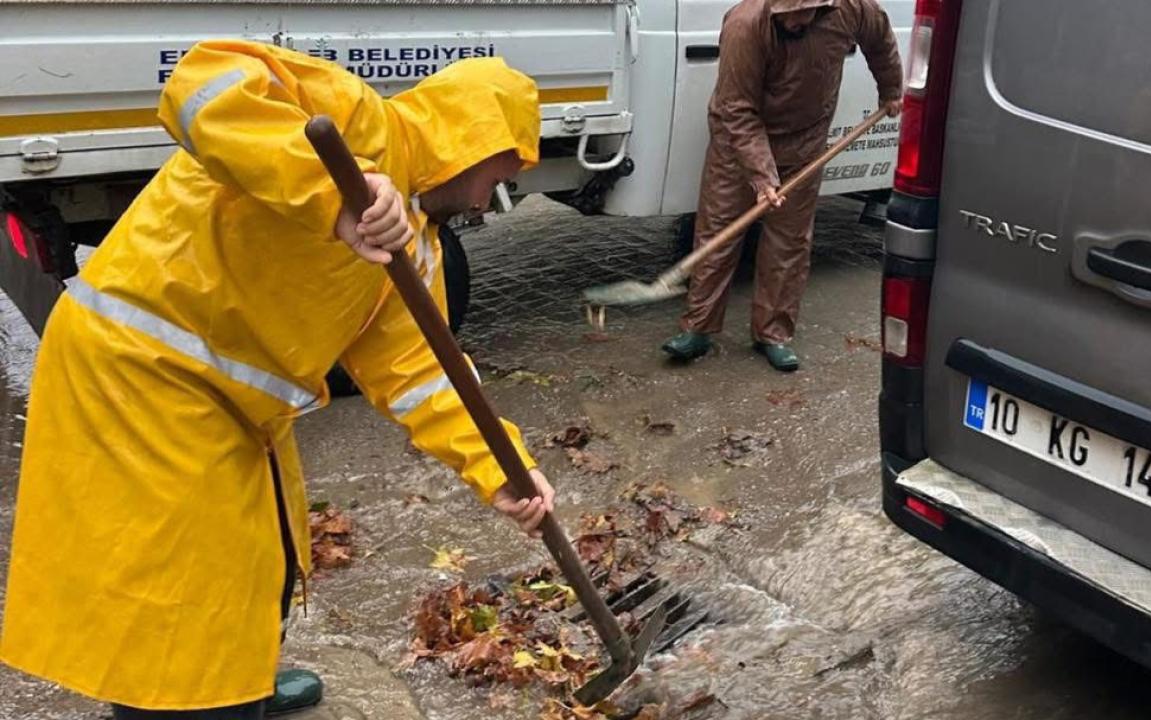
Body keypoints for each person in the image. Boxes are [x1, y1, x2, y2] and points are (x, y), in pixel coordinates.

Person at [0, 41, 556, 719]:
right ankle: (198, 705)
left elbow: (425, 375)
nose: (491, 199)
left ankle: (245, 679)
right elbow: (202, 86)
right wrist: (332, 194)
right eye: (505, 169)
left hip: (230, 405)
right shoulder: (357, 123)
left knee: (267, 562)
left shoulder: (414, 246)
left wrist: (505, 470)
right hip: (138, 371)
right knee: (176, 600)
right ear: (478, 142)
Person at [662, 0, 904, 372]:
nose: (797, 19)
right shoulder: (745, 26)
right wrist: (762, 176)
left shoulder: (852, 8)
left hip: (805, 144)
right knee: (719, 233)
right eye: (789, 12)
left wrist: (890, 89)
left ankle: (772, 334)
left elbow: (881, 40)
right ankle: (698, 328)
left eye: (806, 11)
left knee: (788, 241)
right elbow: (737, 109)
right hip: (736, 144)